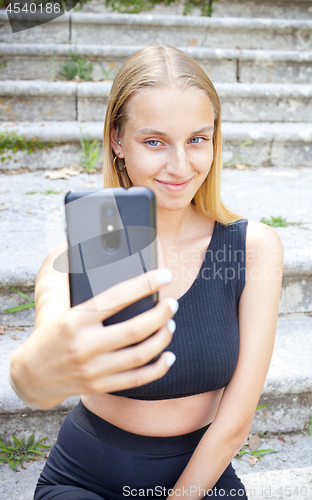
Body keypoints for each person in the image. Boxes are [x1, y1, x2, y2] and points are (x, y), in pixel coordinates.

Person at [9, 44, 283, 500]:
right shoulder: (79, 254)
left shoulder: (254, 248)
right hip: (83, 477)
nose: (180, 166)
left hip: (203, 476)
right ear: (117, 140)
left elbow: (234, 423)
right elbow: (34, 373)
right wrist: (33, 373)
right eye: (154, 141)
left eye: (197, 139)